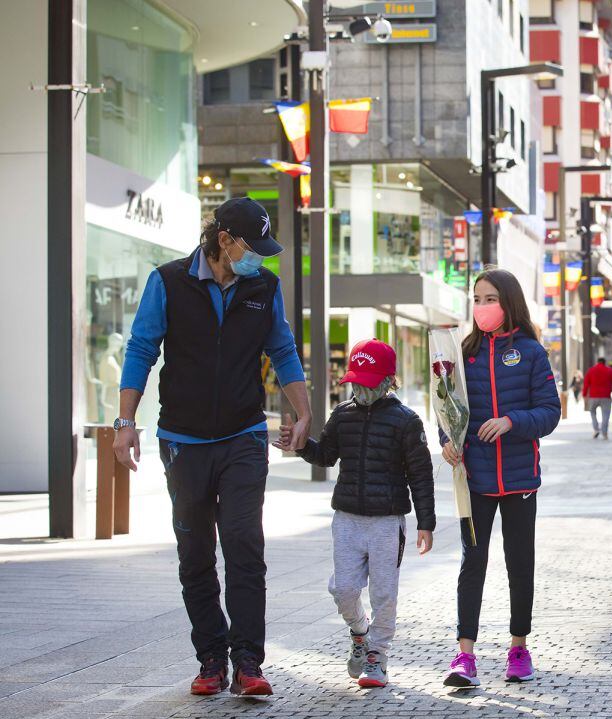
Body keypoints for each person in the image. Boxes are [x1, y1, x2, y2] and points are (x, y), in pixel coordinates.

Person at [113, 198, 312, 696]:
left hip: (244, 436)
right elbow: (141, 348)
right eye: (252, 247)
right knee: (196, 552)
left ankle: (248, 661)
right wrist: (125, 421)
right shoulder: (169, 281)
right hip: (183, 440)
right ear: (224, 240)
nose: (259, 259)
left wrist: (305, 412)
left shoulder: (263, 287)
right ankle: (210, 658)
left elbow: (282, 347)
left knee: (245, 544)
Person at [277, 339, 434, 689]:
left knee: (384, 593)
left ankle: (377, 655)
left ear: (388, 381)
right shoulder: (342, 415)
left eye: (367, 381)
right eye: (356, 382)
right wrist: (300, 445)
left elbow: (421, 475)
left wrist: (426, 523)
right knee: (343, 589)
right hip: (346, 518)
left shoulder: (406, 421)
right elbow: (326, 456)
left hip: (386, 522)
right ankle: (360, 632)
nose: (360, 388)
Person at [440, 269, 561, 688]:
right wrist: (448, 441)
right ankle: (464, 655)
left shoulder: (530, 352)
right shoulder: (464, 353)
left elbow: (550, 411)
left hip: (520, 481)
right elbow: (448, 408)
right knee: (472, 563)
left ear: (508, 302)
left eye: (490, 298)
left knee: (519, 565)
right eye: (477, 298)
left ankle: (518, 648)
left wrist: (512, 421)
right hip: (475, 479)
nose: (482, 307)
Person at [582, 357, 612, 439]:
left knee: (592, 412)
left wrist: (584, 394)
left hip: (593, 396)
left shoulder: (591, 370)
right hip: (606, 396)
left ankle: (596, 429)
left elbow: (586, 383)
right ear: (604, 362)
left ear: (597, 362)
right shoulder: (609, 370)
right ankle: (604, 433)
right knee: (606, 415)